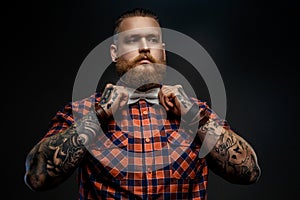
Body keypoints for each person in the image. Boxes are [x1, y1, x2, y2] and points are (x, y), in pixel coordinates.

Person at [24, 8, 261, 199]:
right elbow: (37, 177)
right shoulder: (83, 111)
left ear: (163, 52)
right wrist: (98, 115)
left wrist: (193, 116)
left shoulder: (195, 112)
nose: (145, 47)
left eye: (153, 40)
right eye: (133, 40)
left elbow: (249, 171)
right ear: (114, 52)